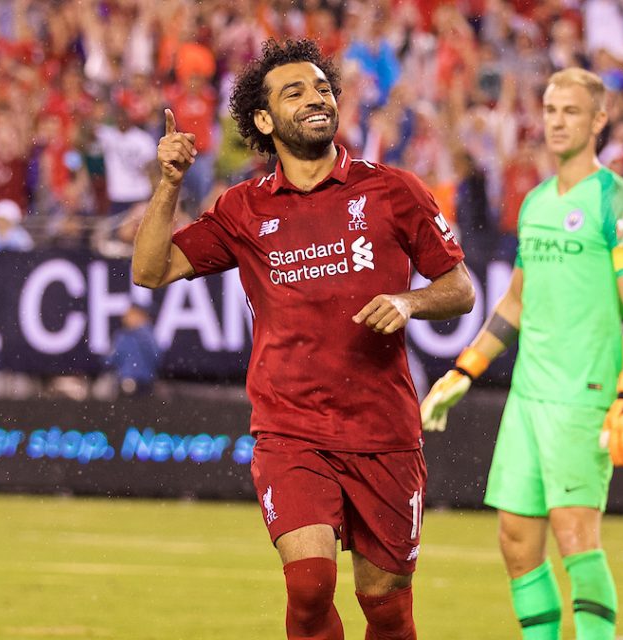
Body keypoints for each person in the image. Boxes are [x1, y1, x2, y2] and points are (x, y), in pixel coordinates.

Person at [131, 39, 475, 640]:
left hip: (384, 431)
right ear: (264, 121)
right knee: (310, 584)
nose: (316, 98)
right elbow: (150, 270)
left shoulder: (393, 191)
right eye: (295, 92)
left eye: (322, 88)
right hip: (291, 429)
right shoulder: (243, 208)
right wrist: (168, 183)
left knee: (387, 607)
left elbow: (460, 287)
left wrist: (409, 300)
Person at [421, 68, 623, 640]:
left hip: (585, 394)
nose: (556, 121)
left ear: (599, 121)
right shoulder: (533, 202)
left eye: (570, 111)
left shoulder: (622, 203)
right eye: (550, 110)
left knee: (577, 537)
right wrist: (464, 369)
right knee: (516, 542)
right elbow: (518, 302)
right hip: (527, 397)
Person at [105, 303, 161, 396]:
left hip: (144, 383)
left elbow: (156, 357)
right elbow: (109, 360)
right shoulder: (121, 336)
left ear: (141, 317)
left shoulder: (147, 335)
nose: (126, 317)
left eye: (131, 314)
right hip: (122, 381)